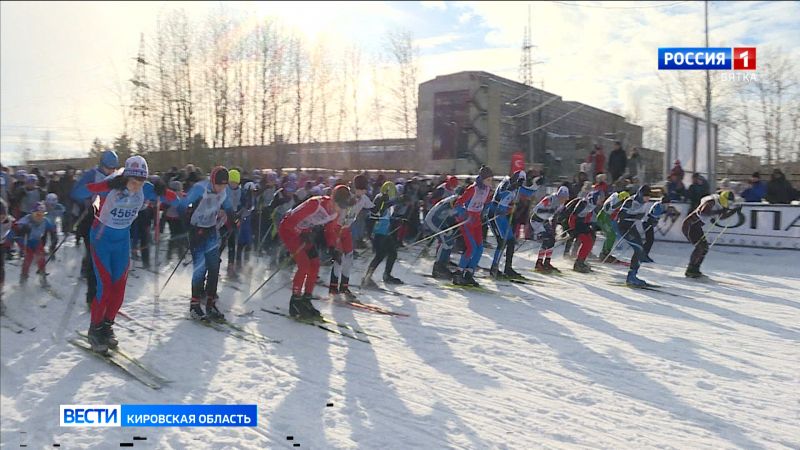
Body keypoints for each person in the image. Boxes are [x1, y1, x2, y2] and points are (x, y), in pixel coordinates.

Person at [73, 155, 175, 353]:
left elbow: (175, 199)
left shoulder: (145, 189)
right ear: (125, 177)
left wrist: (162, 188)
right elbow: (81, 191)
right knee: (105, 287)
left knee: (119, 289)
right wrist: (104, 183)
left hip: (121, 242)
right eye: (133, 182)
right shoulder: (111, 186)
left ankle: (107, 327)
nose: (137, 187)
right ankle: (94, 329)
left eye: (141, 182)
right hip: (101, 240)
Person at [279, 184, 352, 320]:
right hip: (288, 230)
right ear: (332, 198)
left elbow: (329, 231)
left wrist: (333, 248)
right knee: (304, 265)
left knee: (315, 263)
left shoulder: (335, 213)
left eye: (343, 206)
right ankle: (295, 301)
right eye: (339, 205)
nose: (339, 209)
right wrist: (300, 233)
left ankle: (306, 299)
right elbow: (291, 219)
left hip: (303, 233)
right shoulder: (315, 204)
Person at [177, 166, 235, 322]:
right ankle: (194, 305)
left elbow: (229, 208)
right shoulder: (199, 189)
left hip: (210, 231)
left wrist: (233, 222)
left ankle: (210, 303)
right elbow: (182, 206)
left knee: (214, 266)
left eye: (224, 185)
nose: (221, 188)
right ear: (212, 181)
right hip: (196, 231)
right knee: (200, 268)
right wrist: (188, 228)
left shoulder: (224, 192)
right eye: (219, 185)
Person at [70, 150, 120, 308]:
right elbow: (76, 192)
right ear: (101, 164)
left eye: (113, 168)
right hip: (90, 218)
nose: (110, 171)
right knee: (95, 259)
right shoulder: (91, 174)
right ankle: (92, 299)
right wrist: (96, 190)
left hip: (109, 220)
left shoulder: (118, 176)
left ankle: (105, 294)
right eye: (108, 168)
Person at [326, 175, 372, 301]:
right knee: (339, 258)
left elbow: (375, 208)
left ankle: (344, 287)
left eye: (364, 190)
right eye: (360, 189)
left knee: (349, 258)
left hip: (346, 230)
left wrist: (389, 202)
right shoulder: (345, 195)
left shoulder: (364, 198)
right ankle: (333, 288)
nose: (362, 192)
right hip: (336, 228)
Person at [682, 190, 740, 278]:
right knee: (700, 247)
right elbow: (703, 212)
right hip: (690, 225)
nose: (729, 204)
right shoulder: (712, 201)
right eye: (728, 202)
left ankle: (695, 269)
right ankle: (690, 269)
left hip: (697, 226)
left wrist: (734, 211)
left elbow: (721, 217)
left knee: (705, 248)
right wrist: (720, 211)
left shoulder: (721, 204)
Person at [452, 165, 494, 287]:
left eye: (491, 180)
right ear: (482, 179)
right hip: (467, 221)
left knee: (479, 248)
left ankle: (469, 273)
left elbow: (486, 203)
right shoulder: (472, 189)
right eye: (488, 180)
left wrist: (497, 210)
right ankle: (458, 273)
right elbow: (458, 204)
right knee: (471, 247)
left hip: (477, 221)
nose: (490, 182)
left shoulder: (487, 189)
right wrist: (464, 214)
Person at [487, 170, 528, 279]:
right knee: (501, 242)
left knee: (511, 241)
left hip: (502, 216)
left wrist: (511, 207)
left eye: (522, 181)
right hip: (494, 214)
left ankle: (508, 268)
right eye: (519, 180)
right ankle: (494, 268)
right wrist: (513, 186)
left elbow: (523, 194)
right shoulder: (506, 182)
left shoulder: (517, 188)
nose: (520, 183)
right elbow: (501, 194)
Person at [362, 181, 403, 288]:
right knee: (380, 255)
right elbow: (377, 210)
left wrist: (397, 219)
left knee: (392, 253)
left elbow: (384, 215)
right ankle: (367, 278)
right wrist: (395, 201)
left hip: (384, 232)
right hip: (377, 233)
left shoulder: (385, 200)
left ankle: (387, 275)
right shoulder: (380, 198)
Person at [8, 201, 56, 286]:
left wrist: (54, 236)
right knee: (29, 257)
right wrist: (20, 232)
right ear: (32, 213)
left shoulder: (45, 221)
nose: (39, 217)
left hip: (36, 240)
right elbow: (13, 231)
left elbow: (52, 228)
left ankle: (42, 278)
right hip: (25, 241)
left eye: (42, 214)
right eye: (37, 214)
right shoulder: (25, 220)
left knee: (41, 257)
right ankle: (23, 278)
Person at [616, 185, 652, 286]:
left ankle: (633, 275)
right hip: (624, 226)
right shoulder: (630, 201)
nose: (647, 198)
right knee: (639, 248)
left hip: (631, 227)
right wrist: (635, 216)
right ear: (640, 194)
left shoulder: (644, 203)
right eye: (645, 195)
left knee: (641, 249)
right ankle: (631, 276)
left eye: (649, 195)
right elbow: (620, 215)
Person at [530, 186, 570, 273]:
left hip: (545, 221)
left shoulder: (562, 204)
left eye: (565, 198)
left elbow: (556, 216)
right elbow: (536, 210)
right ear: (558, 195)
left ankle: (547, 262)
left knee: (552, 240)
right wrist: (549, 210)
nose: (563, 200)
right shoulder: (549, 199)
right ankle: (539, 263)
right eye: (562, 197)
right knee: (546, 239)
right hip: (537, 220)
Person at [424, 190, 460, 279]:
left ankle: (444, 263)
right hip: (433, 220)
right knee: (446, 241)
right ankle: (438, 266)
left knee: (450, 241)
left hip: (441, 221)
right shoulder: (454, 200)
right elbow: (442, 213)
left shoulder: (456, 199)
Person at [568, 190, 602, 273]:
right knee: (587, 241)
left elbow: (588, 215)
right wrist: (573, 229)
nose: (601, 200)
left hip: (582, 223)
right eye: (600, 198)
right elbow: (573, 216)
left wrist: (590, 224)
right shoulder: (584, 203)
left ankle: (581, 261)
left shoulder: (593, 204)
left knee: (591, 239)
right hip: (576, 223)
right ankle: (578, 263)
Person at [597, 190, 630, 263]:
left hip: (607, 218)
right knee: (611, 235)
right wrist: (620, 203)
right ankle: (604, 253)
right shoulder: (614, 199)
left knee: (612, 235)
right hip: (603, 217)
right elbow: (609, 207)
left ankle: (605, 252)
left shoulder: (616, 199)